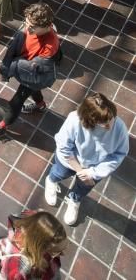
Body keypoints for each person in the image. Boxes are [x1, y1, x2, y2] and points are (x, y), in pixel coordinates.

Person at [0, 3, 60, 142]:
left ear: (48, 26)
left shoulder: (50, 45)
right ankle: (40, 105)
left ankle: (1, 128)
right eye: (26, 22)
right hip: (25, 67)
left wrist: (13, 66)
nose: (28, 28)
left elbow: (33, 68)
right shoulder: (35, 28)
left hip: (33, 75)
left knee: (15, 103)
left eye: (33, 27)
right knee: (34, 90)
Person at [44, 93, 129, 226]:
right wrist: (80, 171)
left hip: (94, 168)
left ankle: (74, 199)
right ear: (90, 119)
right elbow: (63, 146)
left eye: (111, 118)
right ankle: (51, 180)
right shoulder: (74, 120)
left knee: (83, 188)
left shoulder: (120, 128)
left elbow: (119, 154)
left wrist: (92, 173)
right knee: (58, 173)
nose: (110, 125)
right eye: (103, 123)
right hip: (69, 161)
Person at [0, 210, 67, 279]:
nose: (62, 254)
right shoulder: (22, 269)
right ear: (39, 248)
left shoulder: (33, 220)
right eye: (56, 251)